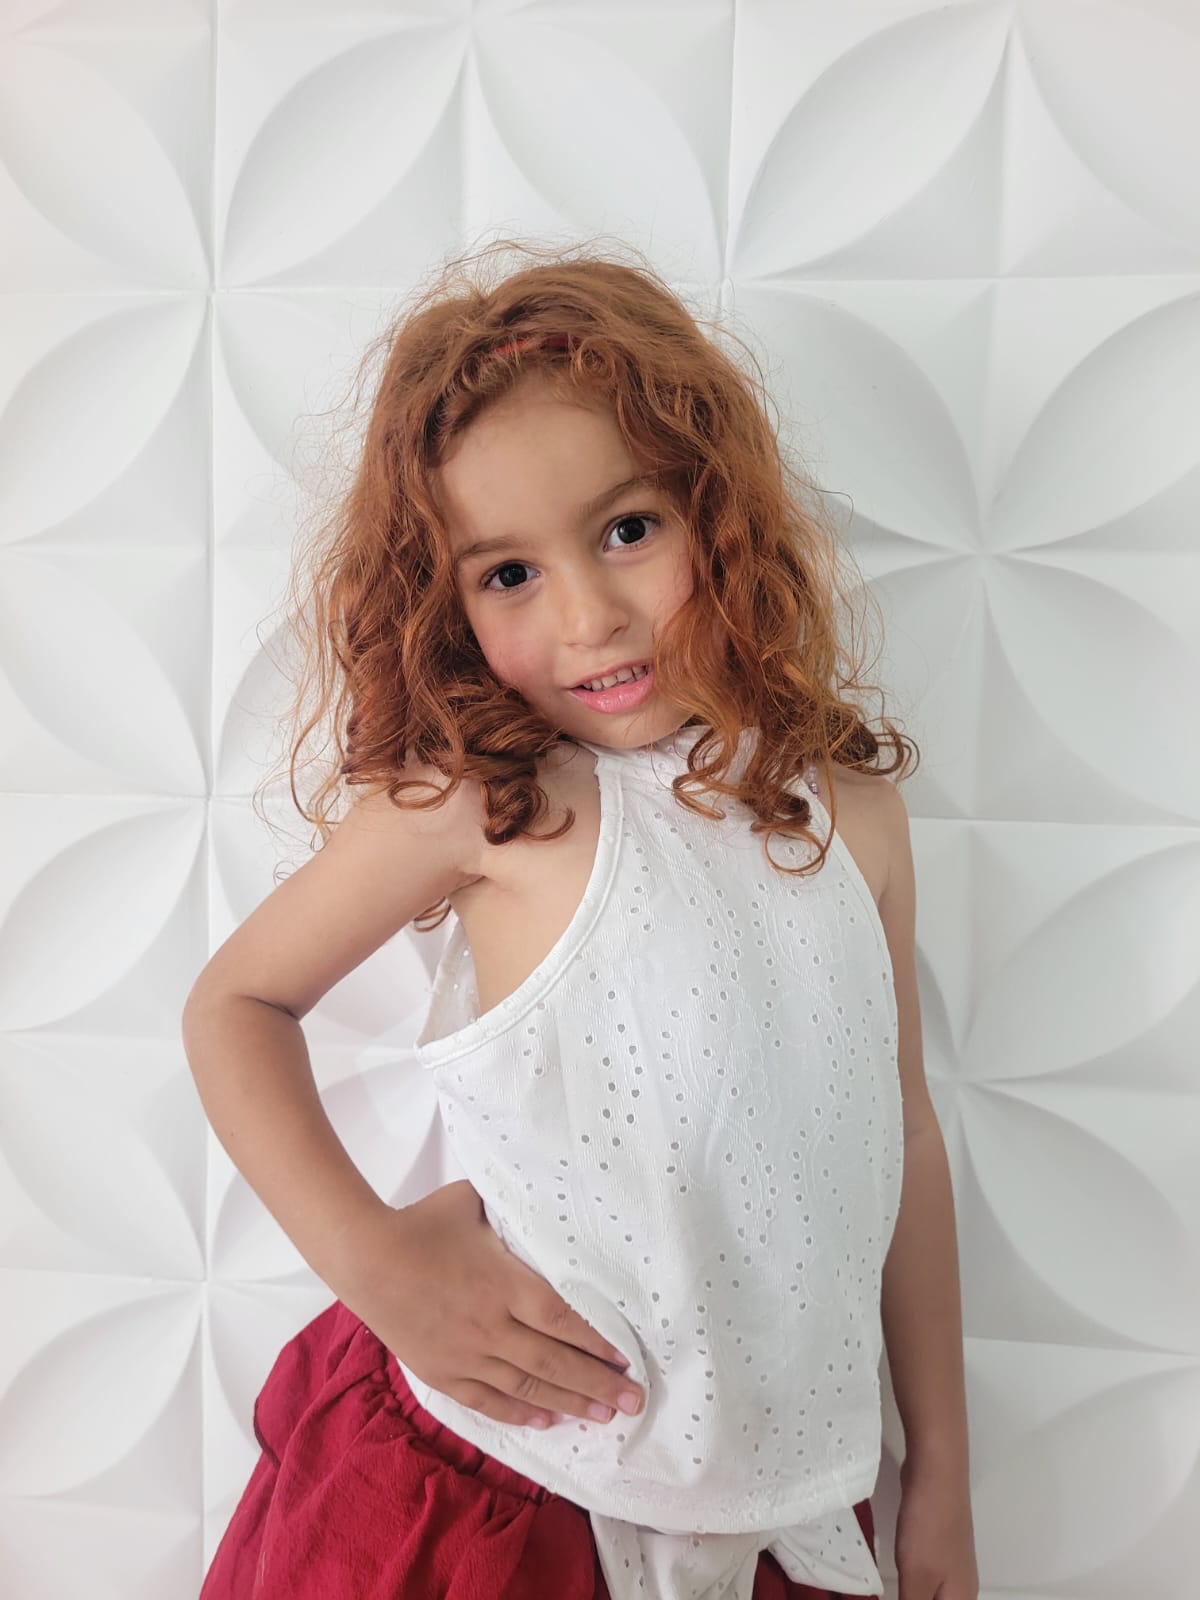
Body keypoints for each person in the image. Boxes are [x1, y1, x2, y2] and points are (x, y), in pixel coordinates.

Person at [184, 237, 978, 1600]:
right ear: (447, 603)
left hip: (781, 1518)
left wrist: (943, 1474)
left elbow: (898, 1135)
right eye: (508, 574)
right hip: (498, 1493)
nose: (591, 617)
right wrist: (377, 1266)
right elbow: (233, 1006)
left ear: (714, 510)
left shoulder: (853, 813)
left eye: (626, 531)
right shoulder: (490, 805)